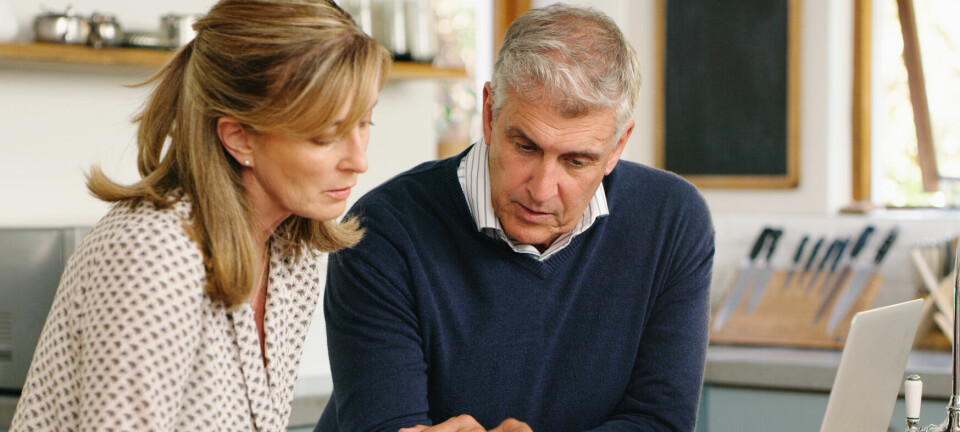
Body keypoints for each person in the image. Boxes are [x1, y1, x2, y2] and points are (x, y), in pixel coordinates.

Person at [316, 3, 714, 432]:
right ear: (489, 114)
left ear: (618, 146)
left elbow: (659, 422)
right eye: (525, 146)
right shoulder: (381, 232)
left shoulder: (671, 222)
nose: (542, 190)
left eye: (576, 161)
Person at [10, 1, 391, 430]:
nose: (359, 161)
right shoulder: (152, 255)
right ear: (239, 138)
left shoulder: (290, 256)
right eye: (325, 137)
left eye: (366, 123)